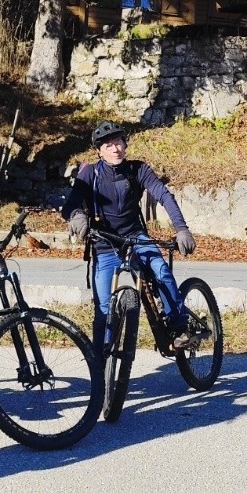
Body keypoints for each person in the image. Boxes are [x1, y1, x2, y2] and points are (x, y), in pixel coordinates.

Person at [62, 121, 195, 358]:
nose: (115, 149)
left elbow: (163, 195)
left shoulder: (138, 169)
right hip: (104, 242)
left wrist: (181, 228)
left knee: (161, 271)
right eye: (109, 145)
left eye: (119, 142)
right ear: (99, 151)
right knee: (103, 307)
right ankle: (100, 361)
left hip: (136, 237)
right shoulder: (89, 173)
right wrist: (77, 216)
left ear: (125, 144)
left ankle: (178, 328)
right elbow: (71, 204)